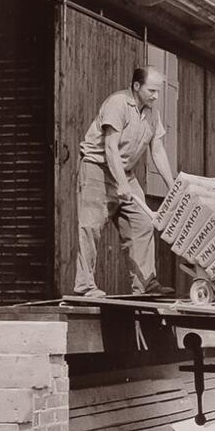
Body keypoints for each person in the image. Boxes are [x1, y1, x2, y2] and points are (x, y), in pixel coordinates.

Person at [73, 66, 176, 298]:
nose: (155, 96)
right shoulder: (117, 103)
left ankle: (145, 284)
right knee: (91, 227)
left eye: (158, 92)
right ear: (136, 86)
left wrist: (173, 186)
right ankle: (85, 286)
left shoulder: (152, 113)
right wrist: (121, 183)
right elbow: (110, 147)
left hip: (125, 172)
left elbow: (157, 150)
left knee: (142, 223)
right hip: (97, 169)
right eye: (152, 90)